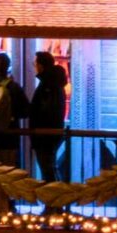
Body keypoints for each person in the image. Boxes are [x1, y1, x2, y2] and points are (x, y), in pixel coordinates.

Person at [28, 52, 70, 182]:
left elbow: (44, 110)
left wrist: (30, 110)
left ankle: (54, 199)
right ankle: (56, 198)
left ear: (41, 65)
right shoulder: (54, 83)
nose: (35, 66)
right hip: (51, 133)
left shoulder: (47, 85)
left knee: (47, 169)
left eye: (35, 63)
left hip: (44, 135)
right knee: (50, 167)